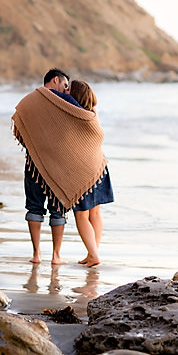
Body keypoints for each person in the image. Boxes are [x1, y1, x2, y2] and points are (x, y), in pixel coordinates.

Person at [11, 68, 107, 266]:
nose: (66, 91)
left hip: (34, 163)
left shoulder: (31, 100)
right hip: (60, 168)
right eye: (65, 86)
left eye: (69, 89)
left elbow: (19, 128)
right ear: (56, 80)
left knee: (34, 208)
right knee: (58, 211)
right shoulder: (66, 103)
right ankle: (57, 256)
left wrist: (36, 147)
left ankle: (37, 254)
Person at [69, 79, 114, 267]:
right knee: (95, 213)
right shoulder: (94, 115)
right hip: (100, 167)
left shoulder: (75, 116)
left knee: (81, 215)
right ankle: (92, 252)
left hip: (84, 171)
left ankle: (94, 255)